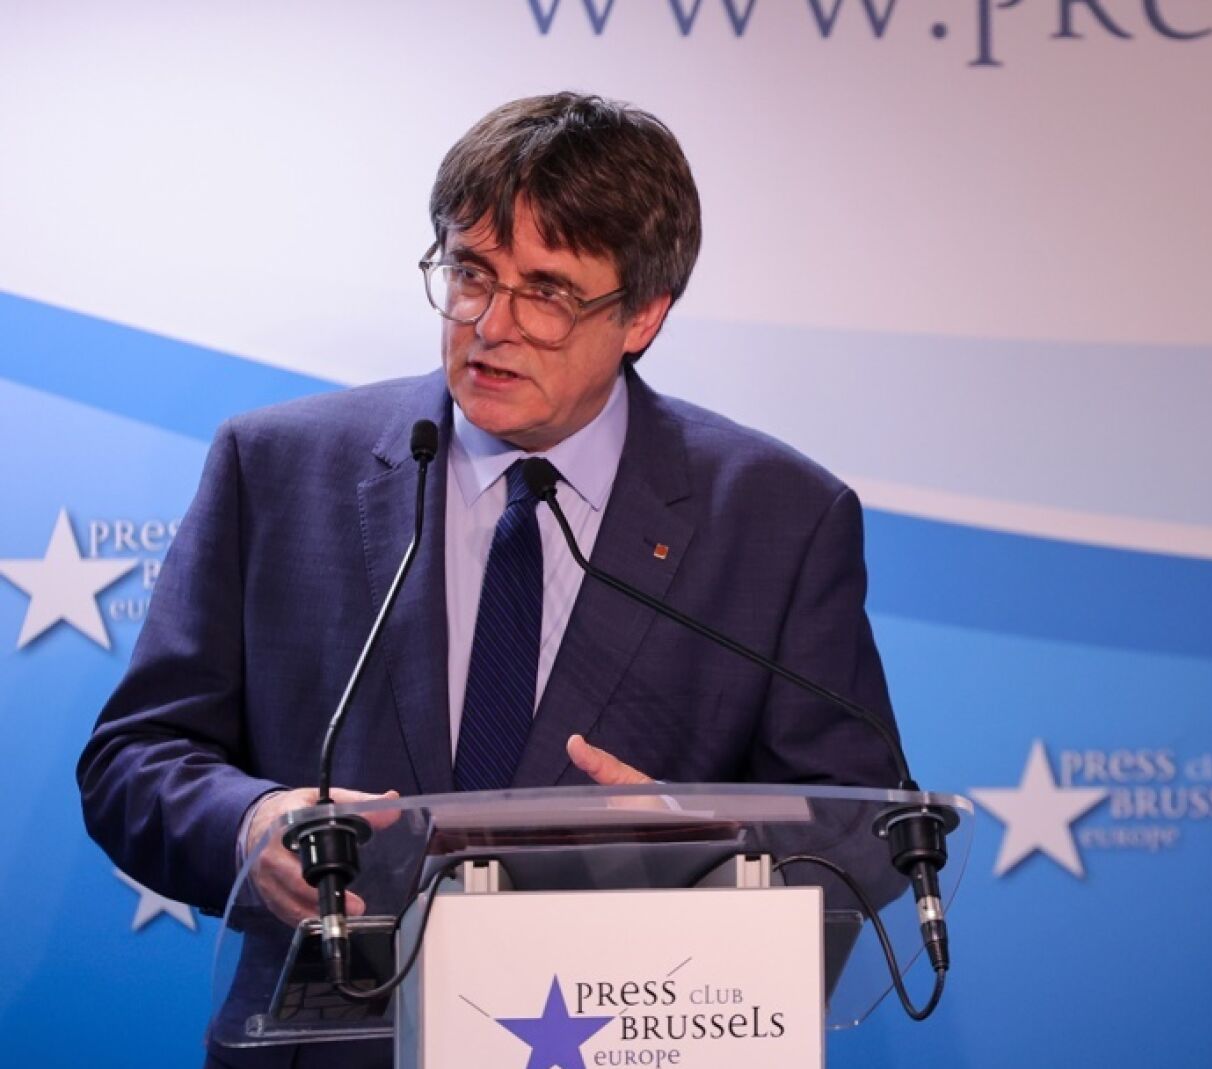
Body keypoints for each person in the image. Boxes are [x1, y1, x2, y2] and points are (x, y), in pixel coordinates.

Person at [76, 93, 903, 1068]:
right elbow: (135, 758)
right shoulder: (276, 469)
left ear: (643, 314)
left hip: (634, 1036)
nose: (489, 324)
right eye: (470, 272)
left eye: (547, 292)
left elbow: (870, 829)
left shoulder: (778, 516)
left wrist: (710, 848)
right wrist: (252, 827)